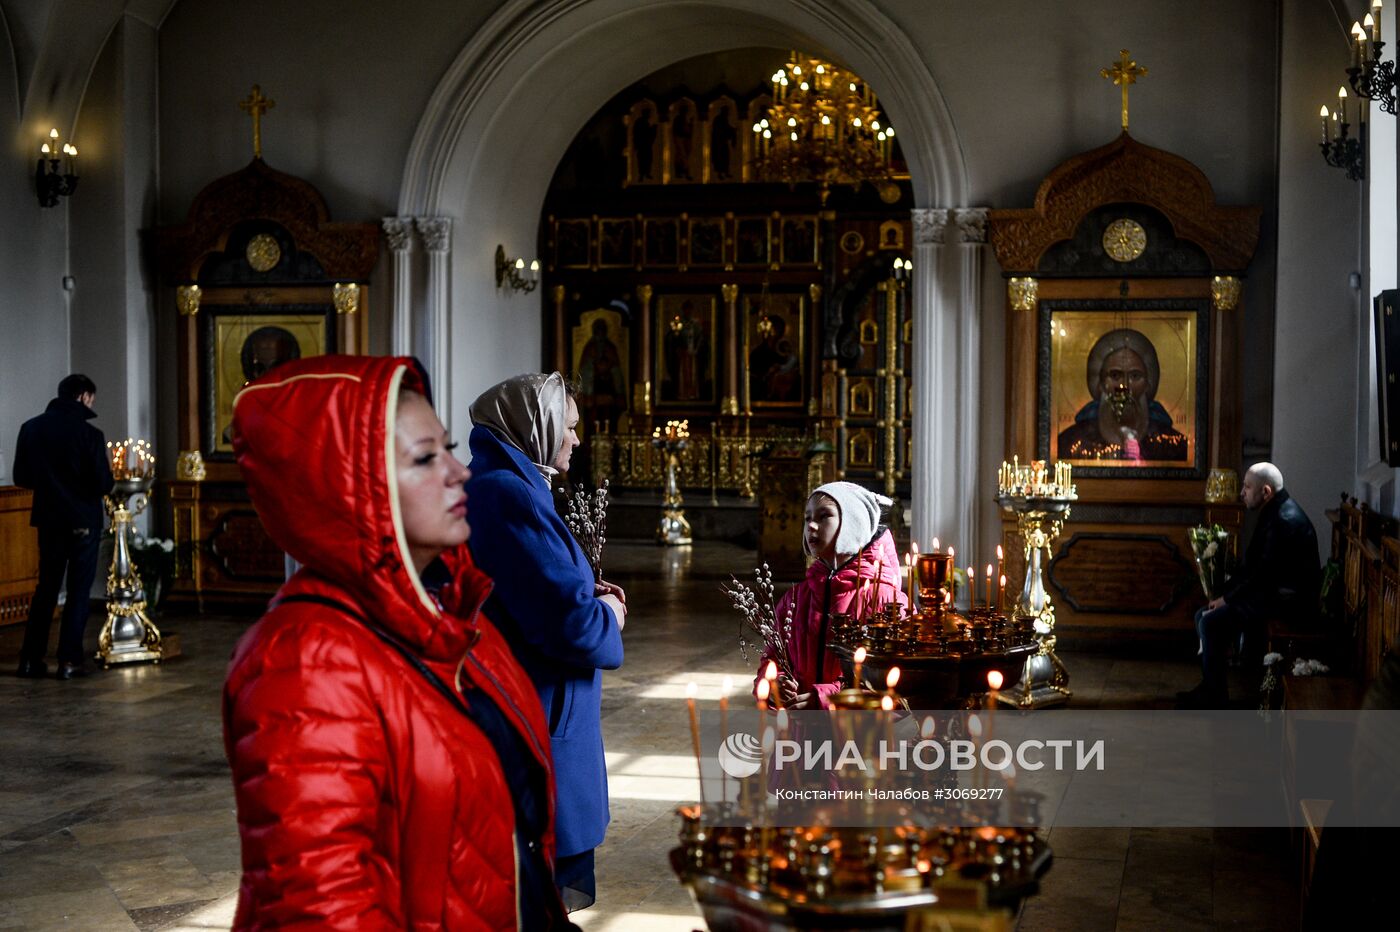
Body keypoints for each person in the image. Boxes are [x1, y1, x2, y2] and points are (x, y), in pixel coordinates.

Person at [224, 355, 570, 929]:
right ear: (353, 486)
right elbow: (321, 907)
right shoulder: (305, 663)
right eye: (425, 458)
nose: (459, 473)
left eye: (449, 448)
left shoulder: (454, 616)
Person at [465, 372, 627, 912]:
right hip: (539, 721)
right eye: (570, 427)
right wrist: (606, 614)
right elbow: (570, 628)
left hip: (536, 713)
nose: (577, 440)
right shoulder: (509, 495)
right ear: (538, 427)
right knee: (536, 900)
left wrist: (582, 587)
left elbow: (530, 588)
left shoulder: (509, 482)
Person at [1177, 463, 1320, 708]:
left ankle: (1214, 696)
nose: (1241, 492)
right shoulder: (1275, 510)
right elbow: (1252, 567)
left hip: (1287, 604)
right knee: (1204, 614)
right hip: (1272, 594)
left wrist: (1227, 600)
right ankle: (1211, 686)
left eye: (1247, 487)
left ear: (1266, 491)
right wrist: (1223, 593)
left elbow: (1262, 575)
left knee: (1209, 621)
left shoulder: (1283, 519)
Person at [756, 482, 908, 710]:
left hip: (857, 738)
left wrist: (825, 700)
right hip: (800, 735)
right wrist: (772, 684)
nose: (811, 526)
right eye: (807, 518)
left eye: (823, 516)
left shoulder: (886, 600)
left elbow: (896, 683)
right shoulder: (795, 598)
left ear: (853, 524)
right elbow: (772, 658)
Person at [12, 374, 114, 680]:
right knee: (79, 591)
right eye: (91, 400)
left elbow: (21, 478)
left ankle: (30, 660)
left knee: (46, 589)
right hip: (83, 520)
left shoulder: (31, 428)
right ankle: (69, 661)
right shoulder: (90, 435)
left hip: (49, 519)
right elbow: (104, 484)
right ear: (83, 396)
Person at [1056, 328, 1187, 462]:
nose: (1124, 386)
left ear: (1148, 384)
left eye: (1135, 376)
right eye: (1115, 376)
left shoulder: (1171, 443)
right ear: (1100, 384)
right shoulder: (1071, 441)